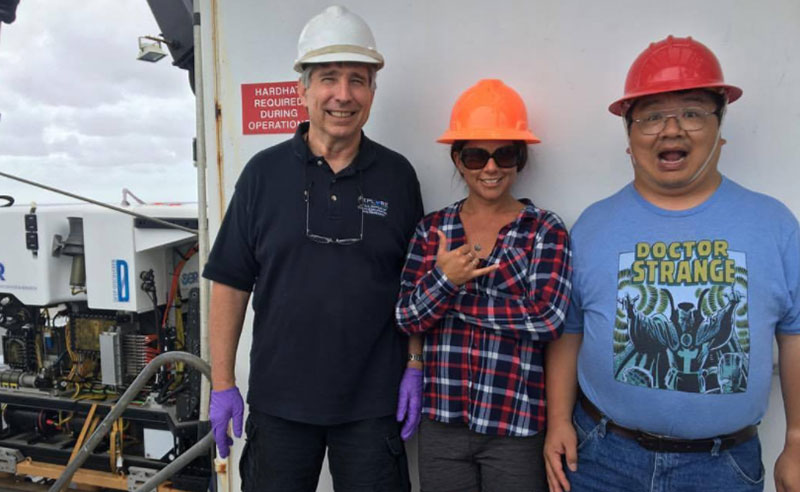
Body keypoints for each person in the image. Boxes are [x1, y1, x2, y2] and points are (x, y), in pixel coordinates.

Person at [543, 36, 800, 492]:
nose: (672, 129)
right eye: (651, 116)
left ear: (720, 128)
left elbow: (795, 334)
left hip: (723, 469)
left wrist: (797, 440)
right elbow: (571, 330)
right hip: (602, 459)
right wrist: (558, 421)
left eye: (693, 111)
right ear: (628, 135)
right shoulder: (593, 225)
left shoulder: (774, 224)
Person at [202, 6, 423, 491]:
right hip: (279, 405)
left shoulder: (398, 177)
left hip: (372, 404)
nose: (343, 95)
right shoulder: (263, 174)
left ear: (372, 92)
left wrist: (414, 363)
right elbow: (231, 282)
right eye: (328, 78)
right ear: (303, 89)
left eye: (358, 80)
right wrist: (221, 382)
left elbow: (415, 286)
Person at [396, 79, 572, 492]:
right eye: (476, 156)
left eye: (503, 154)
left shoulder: (544, 229)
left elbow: (547, 319)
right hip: (443, 423)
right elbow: (406, 316)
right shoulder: (433, 228)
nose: (490, 168)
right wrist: (445, 281)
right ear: (458, 160)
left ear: (519, 160)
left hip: (515, 425)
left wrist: (449, 295)